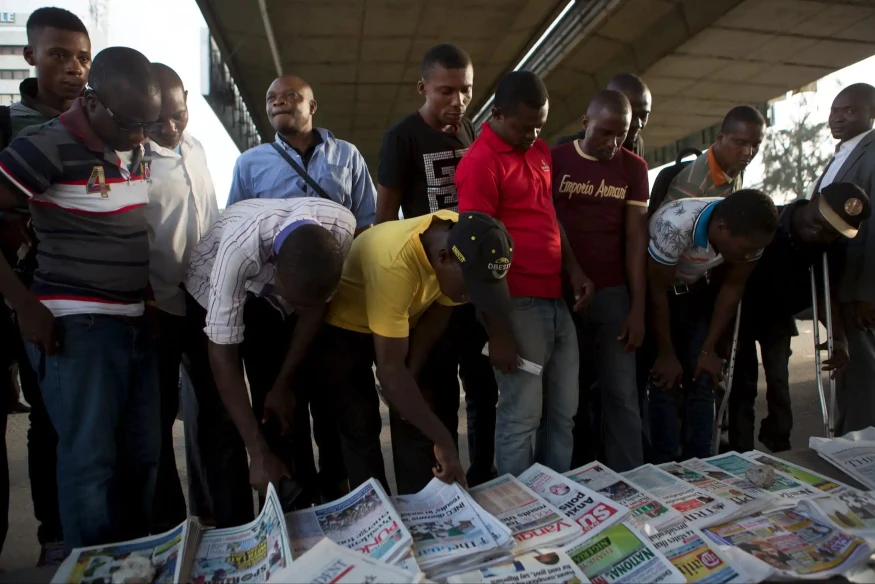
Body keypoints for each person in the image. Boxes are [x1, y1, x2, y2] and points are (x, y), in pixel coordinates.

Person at [0, 46, 161, 550]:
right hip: (78, 326)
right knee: (90, 462)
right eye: (130, 123)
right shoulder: (43, 145)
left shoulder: (133, 142)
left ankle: (132, 564)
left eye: (147, 124)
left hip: (136, 321)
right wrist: (24, 305)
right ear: (92, 101)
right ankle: (91, 566)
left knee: (143, 455)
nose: (140, 136)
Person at [224, 74, 376, 504]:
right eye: (271, 97)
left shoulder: (347, 156)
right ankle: (293, 502)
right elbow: (239, 228)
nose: (279, 102)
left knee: (336, 407)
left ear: (313, 106)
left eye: (291, 96)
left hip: (337, 305)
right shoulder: (249, 164)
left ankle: (339, 495)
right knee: (281, 412)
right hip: (272, 308)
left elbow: (366, 222)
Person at [315, 210, 513, 493]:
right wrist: (444, 440)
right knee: (361, 424)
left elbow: (436, 317)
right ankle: (375, 511)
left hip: (404, 315)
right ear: (443, 258)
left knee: (417, 410)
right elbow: (389, 370)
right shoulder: (396, 265)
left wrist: (413, 373)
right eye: (472, 287)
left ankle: (422, 502)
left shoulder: (462, 238)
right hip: (347, 324)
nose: (472, 298)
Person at [456, 71, 593, 476]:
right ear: (497, 114)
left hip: (555, 298)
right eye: (524, 127)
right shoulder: (480, 163)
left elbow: (548, 217)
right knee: (521, 416)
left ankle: (554, 492)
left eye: (539, 126)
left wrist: (574, 268)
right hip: (517, 305)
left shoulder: (540, 152)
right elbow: (476, 252)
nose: (533, 135)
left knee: (563, 413)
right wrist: (498, 332)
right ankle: (517, 506)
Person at [375, 44, 498, 486]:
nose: (458, 101)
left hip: (473, 284)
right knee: (438, 389)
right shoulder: (402, 137)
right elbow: (385, 220)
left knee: (485, 386)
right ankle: (437, 486)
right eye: (446, 91)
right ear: (423, 87)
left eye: (465, 90)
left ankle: (484, 475)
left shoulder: (469, 131)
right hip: (432, 287)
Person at [184, 198, 356, 508]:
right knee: (224, 418)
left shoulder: (340, 228)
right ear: (273, 264)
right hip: (209, 286)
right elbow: (222, 355)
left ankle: (291, 507)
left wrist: (281, 385)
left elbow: (316, 311)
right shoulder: (239, 249)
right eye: (293, 300)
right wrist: (257, 451)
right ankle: (234, 523)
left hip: (268, 302)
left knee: (279, 409)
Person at [0, 6, 91, 562]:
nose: (74, 68)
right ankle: (54, 536)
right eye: (59, 55)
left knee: (58, 420)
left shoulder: (98, 129)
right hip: (15, 298)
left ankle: (66, 537)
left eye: (82, 57)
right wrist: (21, 304)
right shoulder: (7, 127)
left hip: (72, 303)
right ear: (31, 56)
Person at [729, 183, 868, 452]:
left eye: (830, 231)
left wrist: (839, 338)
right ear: (814, 200)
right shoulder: (771, 221)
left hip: (779, 319)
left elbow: (828, 295)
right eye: (818, 221)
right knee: (742, 386)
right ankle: (740, 450)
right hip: (743, 316)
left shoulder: (831, 246)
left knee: (779, 385)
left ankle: (778, 441)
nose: (819, 232)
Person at [552, 90, 648, 472]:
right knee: (566, 397)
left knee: (622, 394)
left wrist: (637, 308)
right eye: (604, 133)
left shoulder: (634, 168)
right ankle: (574, 476)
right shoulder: (555, 160)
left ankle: (633, 478)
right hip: (561, 295)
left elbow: (636, 239)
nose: (612, 143)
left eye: (621, 135)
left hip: (613, 295)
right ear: (584, 122)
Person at [143, 63, 220, 531]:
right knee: (155, 422)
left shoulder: (197, 148)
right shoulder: (132, 159)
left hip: (205, 301)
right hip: (156, 306)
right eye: (158, 120)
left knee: (213, 411)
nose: (171, 128)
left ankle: (216, 514)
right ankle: (171, 529)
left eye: (178, 114)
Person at [647, 190, 779, 462]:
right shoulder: (676, 226)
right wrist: (666, 354)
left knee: (702, 375)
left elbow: (733, 287)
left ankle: (702, 463)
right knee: (666, 380)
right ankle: (665, 465)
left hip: (695, 289)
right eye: (746, 249)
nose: (751, 255)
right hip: (660, 292)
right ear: (721, 229)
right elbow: (656, 291)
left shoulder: (753, 235)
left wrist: (708, 349)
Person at [816, 83, 875, 434]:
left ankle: (864, 447)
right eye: (835, 110)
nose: (838, 118)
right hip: (837, 284)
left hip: (859, 288)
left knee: (865, 374)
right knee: (850, 373)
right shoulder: (843, 153)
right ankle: (849, 438)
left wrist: (869, 290)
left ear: (871, 114)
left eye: (850, 111)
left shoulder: (871, 153)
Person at [663, 106, 765, 204]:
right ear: (720, 138)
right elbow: (668, 221)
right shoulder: (693, 184)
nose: (749, 152)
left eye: (755, 145)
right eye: (741, 143)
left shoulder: (736, 165)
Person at [554, 73, 651, 157]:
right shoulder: (564, 150)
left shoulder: (636, 144)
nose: (638, 124)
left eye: (643, 115)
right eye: (631, 114)